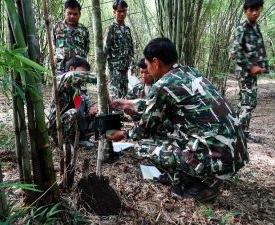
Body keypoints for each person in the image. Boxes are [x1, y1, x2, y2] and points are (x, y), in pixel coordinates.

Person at [108, 38, 249, 202]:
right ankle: (200, 175)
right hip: (236, 153)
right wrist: (130, 103)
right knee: (169, 137)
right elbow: (162, 104)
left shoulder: (163, 85)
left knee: (143, 146)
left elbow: (144, 129)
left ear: (156, 62)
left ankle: (201, 185)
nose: (146, 69)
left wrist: (123, 134)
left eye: (146, 64)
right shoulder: (189, 73)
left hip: (216, 159)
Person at [230, 0, 268, 139]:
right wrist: (251, 66)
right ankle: (238, 137)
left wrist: (262, 66)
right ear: (245, 11)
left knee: (243, 102)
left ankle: (241, 133)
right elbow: (234, 52)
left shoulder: (255, 27)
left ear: (261, 9)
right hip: (245, 71)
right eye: (251, 10)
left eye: (257, 9)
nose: (254, 12)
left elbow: (258, 49)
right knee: (249, 103)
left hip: (251, 72)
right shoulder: (242, 28)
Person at [48, 57, 97, 148]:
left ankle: (81, 139)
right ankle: (65, 143)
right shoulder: (62, 79)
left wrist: (91, 111)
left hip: (76, 126)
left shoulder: (80, 89)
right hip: (58, 127)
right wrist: (99, 78)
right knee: (73, 112)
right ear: (71, 69)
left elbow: (83, 108)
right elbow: (72, 76)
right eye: (83, 72)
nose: (84, 76)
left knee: (96, 116)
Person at [103, 0, 135, 98]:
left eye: (124, 11)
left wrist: (132, 66)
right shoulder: (111, 28)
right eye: (119, 11)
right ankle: (114, 113)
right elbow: (105, 49)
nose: (122, 14)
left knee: (125, 92)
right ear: (114, 12)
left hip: (125, 68)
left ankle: (122, 113)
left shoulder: (127, 29)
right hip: (114, 68)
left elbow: (131, 49)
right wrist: (102, 69)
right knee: (115, 92)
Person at [53, 0, 89, 74]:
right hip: (61, 68)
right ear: (64, 12)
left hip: (78, 68)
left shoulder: (84, 30)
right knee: (61, 85)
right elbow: (53, 45)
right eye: (69, 13)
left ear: (79, 14)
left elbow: (86, 48)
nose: (72, 16)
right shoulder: (57, 27)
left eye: (75, 14)